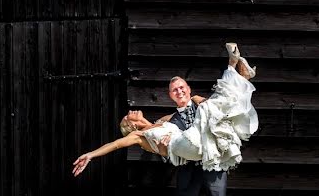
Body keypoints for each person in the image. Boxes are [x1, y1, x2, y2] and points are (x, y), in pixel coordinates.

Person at [72, 43, 257, 196]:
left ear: (189, 89)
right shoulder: (168, 120)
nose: (180, 91)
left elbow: (213, 107)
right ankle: (234, 70)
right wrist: (91, 154)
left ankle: (234, 70)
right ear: (171, 96)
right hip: (189, 164)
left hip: (211, 158)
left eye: (182, 87)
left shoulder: (196, 102)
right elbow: (121, 142)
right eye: (175, 90)